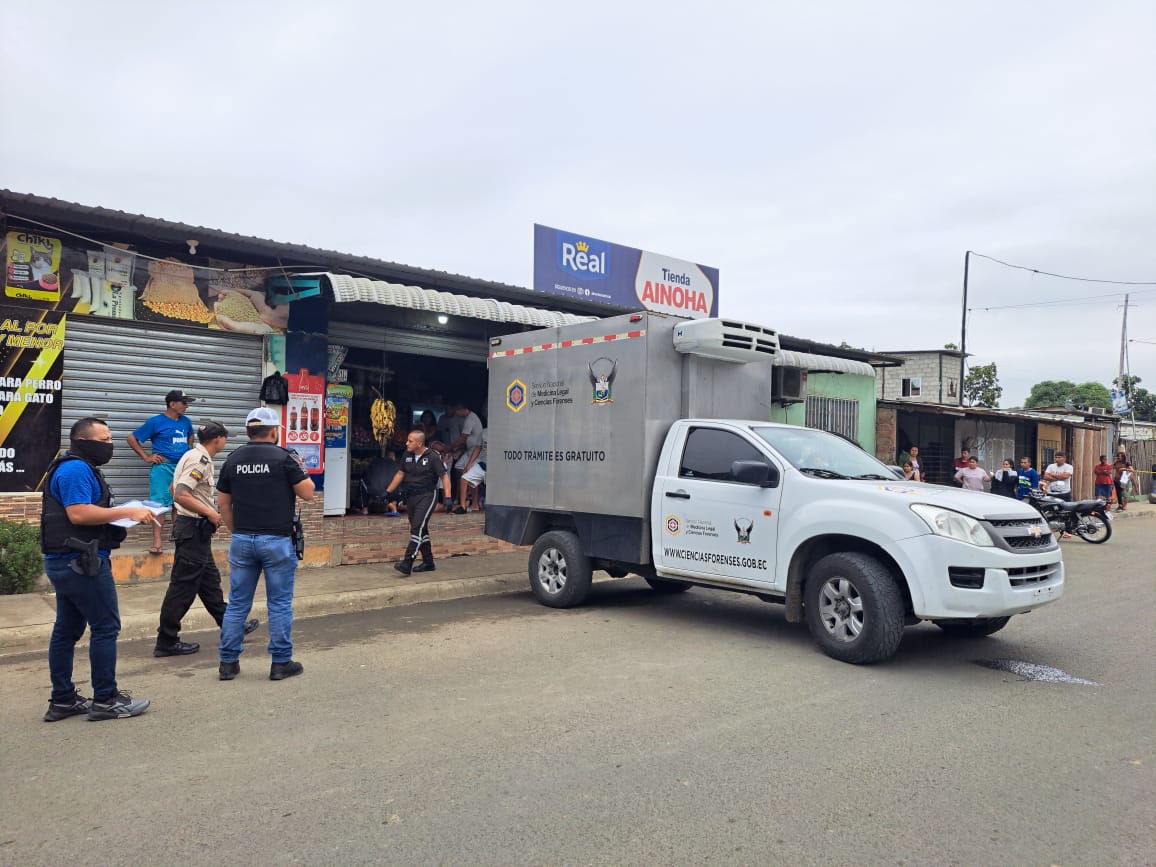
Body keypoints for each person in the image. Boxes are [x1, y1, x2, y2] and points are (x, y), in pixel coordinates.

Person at [41, 417, 156, 722]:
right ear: (83, 440)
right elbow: (78, 513)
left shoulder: (78, 468)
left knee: (67, 630)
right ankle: (106, 699)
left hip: (70, 560)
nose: (110, 445)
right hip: (80, 562)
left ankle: (63, 700)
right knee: (105, 627)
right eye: (104, 440)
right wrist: (127, 511)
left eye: (109, 439)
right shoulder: (75, 469)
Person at [216, 407, 315, 682]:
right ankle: (281, 663)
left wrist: (239, 533)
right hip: (277, 541)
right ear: (274, 431)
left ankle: (227, 663)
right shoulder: (285, 457)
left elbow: (223, 504)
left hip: (242, 540)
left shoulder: (233, 459)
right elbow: (307, 493)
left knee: (237, 604)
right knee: (280, 604)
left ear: (248, 431)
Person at [153, 421, 258, 658]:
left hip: (194, 531)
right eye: (225, 437)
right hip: (192, 530)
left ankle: (232, 626)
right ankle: (166, 640)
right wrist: (210, 512)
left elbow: (173, 488)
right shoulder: (199, 460)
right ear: (217, 439)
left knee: (210, 583)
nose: (226, 441)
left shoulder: (191, 455)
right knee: (182, 588)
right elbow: (181, 493)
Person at [127, 389, 195, 554]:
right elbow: (132, 438)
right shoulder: (156, 422)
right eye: (183, 403)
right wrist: (146, 457)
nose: (186, 406)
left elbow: (190, 436)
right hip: (162, 468)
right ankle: (157, 543)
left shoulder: (186, 421)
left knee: (179, 504)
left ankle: (179, 539)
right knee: (159, 505)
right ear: (172, 404)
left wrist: (189, 453)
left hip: (181, 468)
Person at [384, 429, 453, 575]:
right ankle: (428, 562)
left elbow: (444, 476)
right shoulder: (407, 454)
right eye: (407, 440)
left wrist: (447, 497)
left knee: (417, 527)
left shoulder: (433, 457)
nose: (406, 443)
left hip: (427, 495)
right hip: (411, 496)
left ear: (419, 443)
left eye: (410, 441)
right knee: (422, 529)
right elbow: (400, 473)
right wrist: (388, 491)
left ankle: (407, 561)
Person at [448, 402, 485, 513]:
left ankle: (474, 503)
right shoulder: (466, 418)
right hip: (469, 450)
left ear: (462, 409)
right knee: (460, 467)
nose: (456, 414)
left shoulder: (470, 418)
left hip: (475, 451)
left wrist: (449, 447)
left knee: (470, 475)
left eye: (457, 411)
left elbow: (463, 437)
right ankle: (467, 499)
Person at [457, 424, 487, 512]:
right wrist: (469, 464)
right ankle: (463, 507)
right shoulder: (484, 432)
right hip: (483, 464)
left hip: (497, 467)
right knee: (464, 478)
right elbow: (478, 448)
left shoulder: (502, 432)